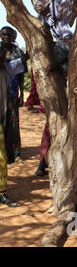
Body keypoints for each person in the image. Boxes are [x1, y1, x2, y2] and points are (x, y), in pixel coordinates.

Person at [0, 47, 29, 206]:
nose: (1, 61)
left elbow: (23, 59)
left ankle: (1, 194)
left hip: (1, 121)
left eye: (2, 58)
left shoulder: (6, 68)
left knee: (1, 158)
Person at [1, 26, 27, 164]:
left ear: (13, 36)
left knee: (13, 124)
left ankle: (15, 154)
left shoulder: (17, 52)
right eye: (2, 34)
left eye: (7, 34)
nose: (4, 37)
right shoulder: (0, 50)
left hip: (11, 93)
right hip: (1, 93)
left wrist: (22, 93)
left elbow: (21, 76)